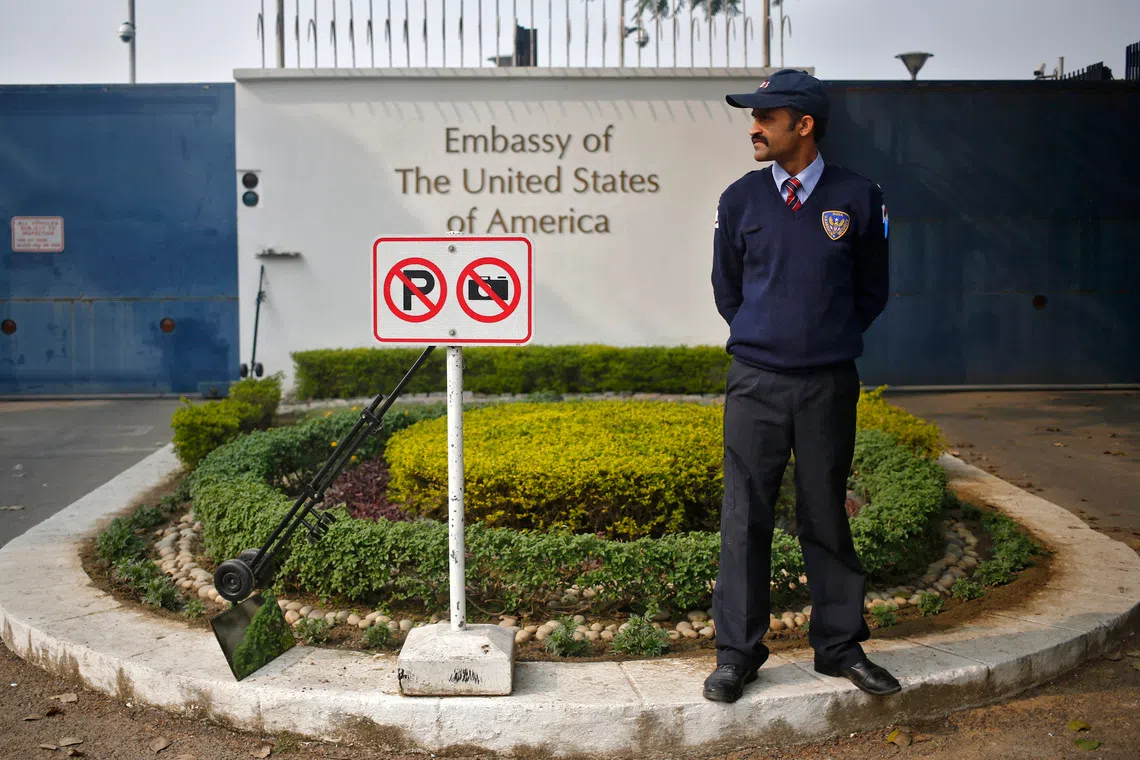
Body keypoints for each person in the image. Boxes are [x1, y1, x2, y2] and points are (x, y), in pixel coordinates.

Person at [704, 69, 897, 703]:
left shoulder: (860, 197)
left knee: (825, 512)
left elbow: (871, 291)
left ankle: (839, 648)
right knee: (745, 517)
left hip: (828, 386)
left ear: (804, 125)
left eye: (766, 116)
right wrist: (769, 338)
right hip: (756, 383)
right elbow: (727, 290)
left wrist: (822, 340)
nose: (753, 128)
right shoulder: (740, 199)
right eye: (752, 117)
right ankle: (737, 653)